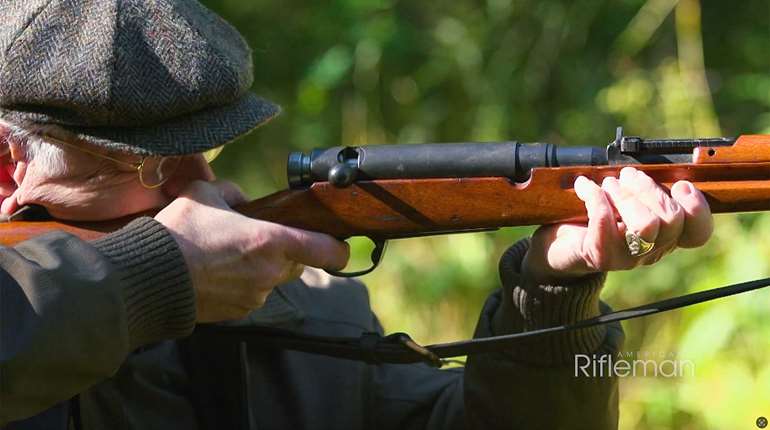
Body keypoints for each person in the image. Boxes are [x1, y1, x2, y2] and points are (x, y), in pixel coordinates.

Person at [0, 1, 713, 429]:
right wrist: (156, 279)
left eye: (206, 151)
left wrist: (551, 291)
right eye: (153, 167)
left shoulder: (298, 310)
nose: (205, 191)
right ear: (10, 168)